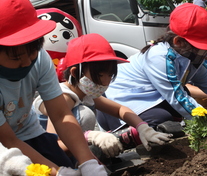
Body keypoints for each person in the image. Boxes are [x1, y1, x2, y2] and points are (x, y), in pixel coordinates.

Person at [97, 3, 207, 142]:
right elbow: (177, 97)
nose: (205, 51)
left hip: (149, 100)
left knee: (176, 112)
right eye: (200, 45)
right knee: (163, 118)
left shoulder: (187, 55)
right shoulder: (159, 57)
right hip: (116, 106)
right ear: (178, 41)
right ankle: (119, 138)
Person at [0, 0, 107, 175]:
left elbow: (60, 115)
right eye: (16, 57)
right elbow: (8, 141)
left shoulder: (40, 59)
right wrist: (58, 172)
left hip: (30, 132)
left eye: (31, 52)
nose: (26, 62)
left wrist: (88, 161)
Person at [33, 33, 172, 158]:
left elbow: (120, 110)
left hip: (75, 153)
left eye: (110, 75)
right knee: (85, 113)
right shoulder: (63, 98)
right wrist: (90, 137)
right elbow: (54, 145)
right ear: (75, 72)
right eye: (99, 75)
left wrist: (143, 128)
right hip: (46, 158)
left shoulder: (85, 94)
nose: (105, 81)